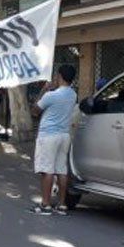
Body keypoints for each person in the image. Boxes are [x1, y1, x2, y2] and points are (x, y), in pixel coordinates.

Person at [31, 64, 78, 215]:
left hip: (48, 135)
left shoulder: (51, 95)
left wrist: (44, 90)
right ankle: (62, 205)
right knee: (61, 170)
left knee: (47, 170)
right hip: (64, 135)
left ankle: (45, 204)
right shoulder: (73, 95)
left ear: (60, 76)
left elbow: (35, 111)